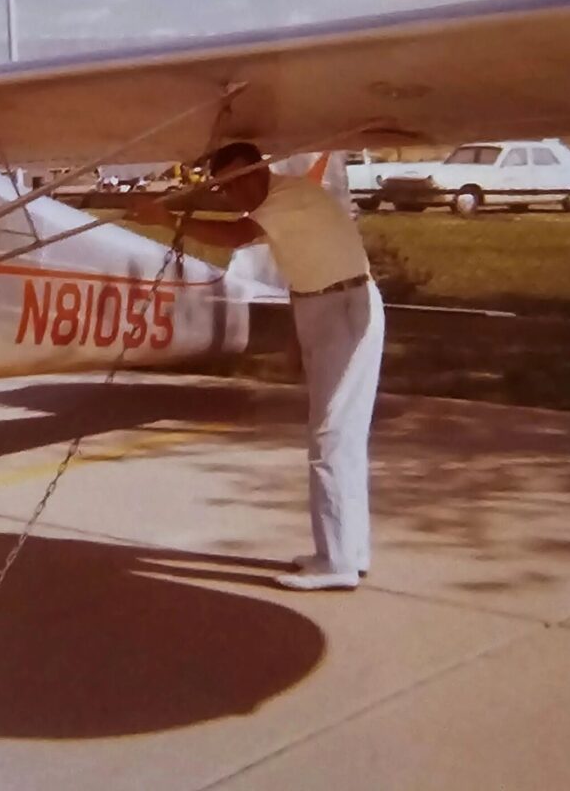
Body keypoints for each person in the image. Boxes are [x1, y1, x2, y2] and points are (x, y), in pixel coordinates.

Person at [130, 141, 384, 590]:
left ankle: (338, 564)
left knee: (332, 436)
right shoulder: (280, 202)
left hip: (344, 306)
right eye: (225, 188)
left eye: (237, 182)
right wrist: (297, 333)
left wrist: (166, 218)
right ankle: (347, 551)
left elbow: (236, 235)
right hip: (324, 303)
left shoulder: (287, 197)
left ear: (256, 172)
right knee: (340, 434)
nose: (234, 194)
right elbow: (302, 264)